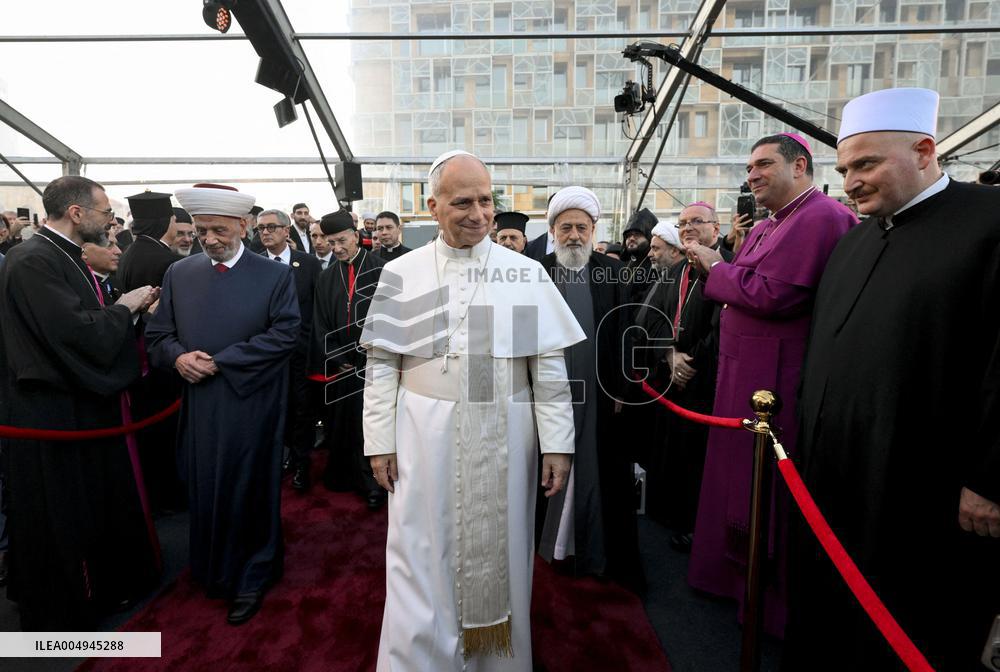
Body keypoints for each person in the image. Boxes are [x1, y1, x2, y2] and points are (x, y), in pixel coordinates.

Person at [787, 88, 1000, 671]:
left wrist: (991, 477)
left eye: (866, 164)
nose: (850, 182)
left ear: (926, 150)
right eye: (844, 169)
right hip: (836, 472)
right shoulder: (854, 241)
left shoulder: (990, 223)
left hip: (925, 488)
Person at [361, 150, 583, 670]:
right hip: (422, 431)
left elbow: (547, 368)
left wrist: (557, 444)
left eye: (486, 201)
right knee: (419, 553)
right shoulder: (400, 271)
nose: (480, 215)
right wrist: (380, 442)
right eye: (463, 202)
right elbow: (380, 366)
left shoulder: (524, 272)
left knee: (503, 552)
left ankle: (497, 661)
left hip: (505, 429)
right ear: (432, 205)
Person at [684, 132, 858, 636]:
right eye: (749, 167)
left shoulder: (821, 216)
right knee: (733, 483)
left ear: (800, 166)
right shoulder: (771, 223)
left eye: (763, 164)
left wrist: (715, 265)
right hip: (745, 372)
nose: (752, 175)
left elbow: (772, 295)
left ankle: (767, 603)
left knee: (765, 492)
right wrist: (722, 268)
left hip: (773, 381)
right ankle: (730, 580)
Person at [0, 176, 160, 630]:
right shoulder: (33, 260)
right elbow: (75, 334)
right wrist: (125, 307)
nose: (110, 220)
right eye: (104, 212)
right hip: (50, 415)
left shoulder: (57, 256)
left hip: (74, 409)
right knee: (62, 516)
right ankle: (71, 608)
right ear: (76, 213)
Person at [145, 183, 300, 625]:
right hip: (199, 405)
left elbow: (285, 334)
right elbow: (157, 337)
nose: (209, 239)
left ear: (244, 226)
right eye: (200, 231)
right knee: (205, 484)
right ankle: (213, 570)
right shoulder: (180, 273)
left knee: (248, 487)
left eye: (218, 230)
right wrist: (178, 357)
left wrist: (220, 362)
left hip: (252, 403)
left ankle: (253, 574)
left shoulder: (275, 275)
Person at [537, 187, 642, 590]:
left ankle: (594, 550)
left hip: (599, 395)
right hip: (549, 394)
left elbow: (626, 333)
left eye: (582, 227)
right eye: (566, 228)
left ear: (595, 229)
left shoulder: (613, 272)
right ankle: (550, 545)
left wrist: (621, 387)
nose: (575, 235)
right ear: (553, 231)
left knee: (597, 468)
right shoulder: (537, 270)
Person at [646, 203, 733, 553]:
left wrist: (691, 361)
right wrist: (669, 354)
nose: (688, 228)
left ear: (716, 229)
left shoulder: (728, 267)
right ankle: (672, 516)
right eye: (682, 223)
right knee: (673, 452)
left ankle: (701, 528)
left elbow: (726, 324)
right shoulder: (676, 269)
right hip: (672, 377)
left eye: (696, 221)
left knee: (702, 459)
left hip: (708, 380)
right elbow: (649, 316)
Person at [309, 210, 387, 508]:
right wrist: (338, 357)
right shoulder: (327, 276)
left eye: (342, 240)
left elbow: (394, 317)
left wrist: (374, 354)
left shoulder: (382, 270)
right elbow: (320, 323)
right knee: (344, 425)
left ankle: (374, 484)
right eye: (331, 243)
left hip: (376, 364)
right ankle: (348, 477)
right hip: (343, 367)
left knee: (371, 426)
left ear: (356, 235)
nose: (337, 248)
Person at [116, 191, 186, 514]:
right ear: (167, 222)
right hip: (160, 360)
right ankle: (170, 496)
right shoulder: (166, 260)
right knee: (165, 434)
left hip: (138, 357)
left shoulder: (130, 252)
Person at [258, 208, 322, 492]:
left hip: (301, 351)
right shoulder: (255, 264)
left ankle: (302, 463)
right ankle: (283, 457)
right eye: (261, 228)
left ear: (287, 231)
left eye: (272, 227)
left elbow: (318, 309)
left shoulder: (308, 264)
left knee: (302, 408)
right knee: (274, 408)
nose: (266, 232)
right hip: (268, 353)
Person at [116, 191, 182, 292]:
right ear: (166, 222)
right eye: (175, 221)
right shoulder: (169, 261)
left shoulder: (127, 252)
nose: (176, 226)